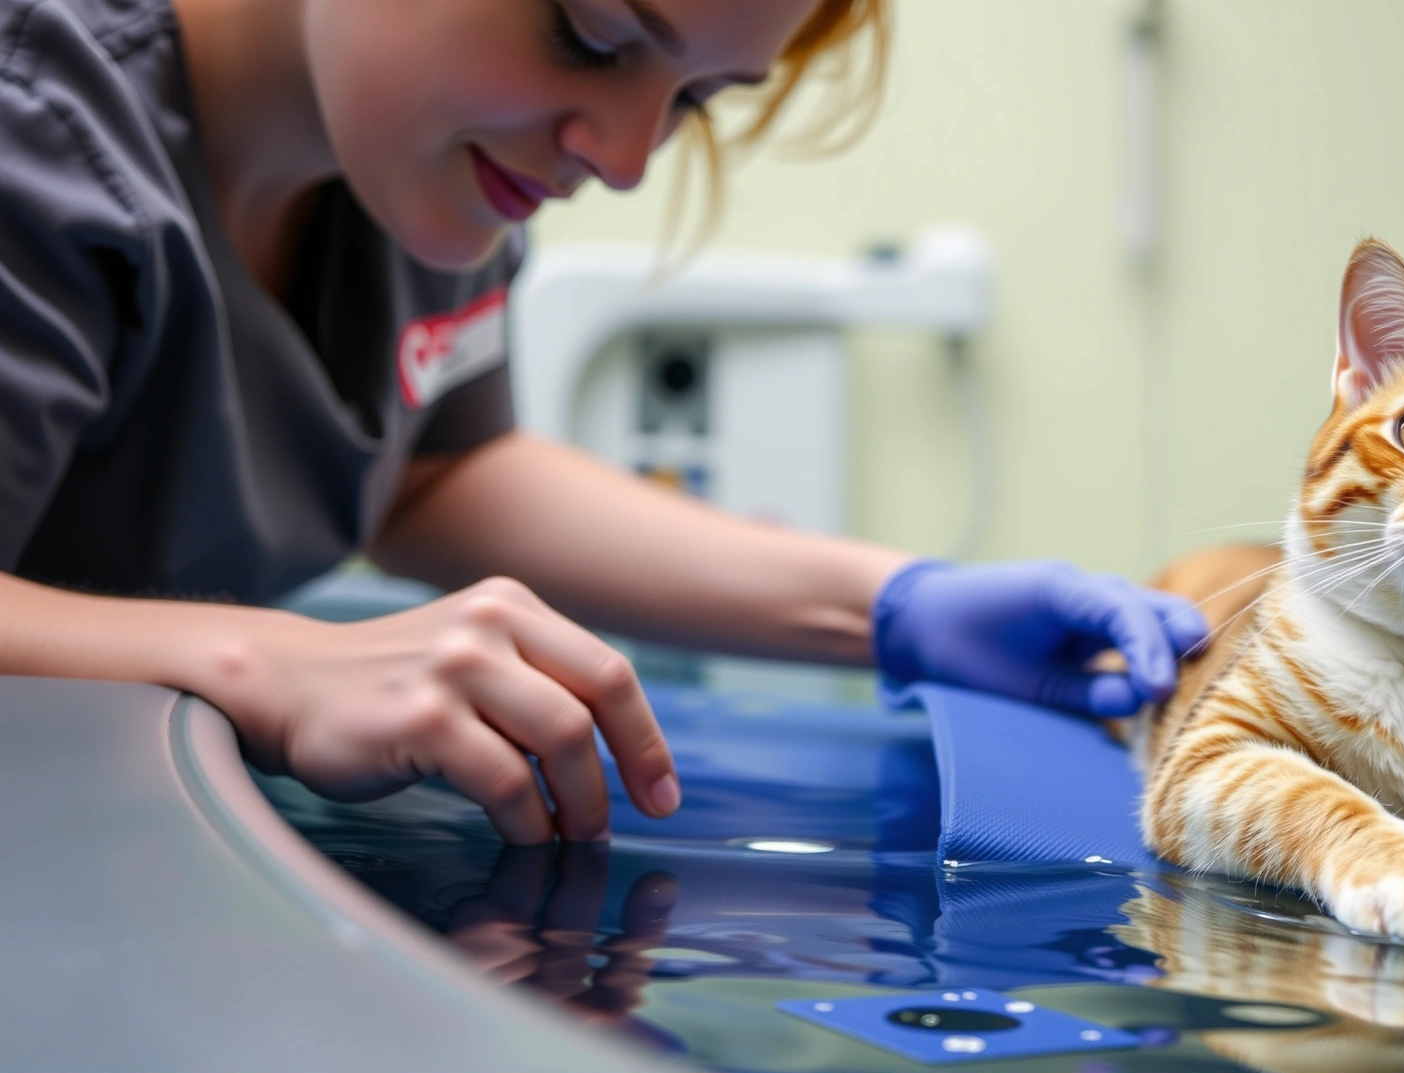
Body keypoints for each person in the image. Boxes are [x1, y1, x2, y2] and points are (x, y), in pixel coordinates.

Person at [0, 0, 1206, 845]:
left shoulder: (417, 177)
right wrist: (263, 664)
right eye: (591, 32)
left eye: (692, 101)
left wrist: (893, 606)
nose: (622, 160)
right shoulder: (37, 121)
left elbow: (437, 472)